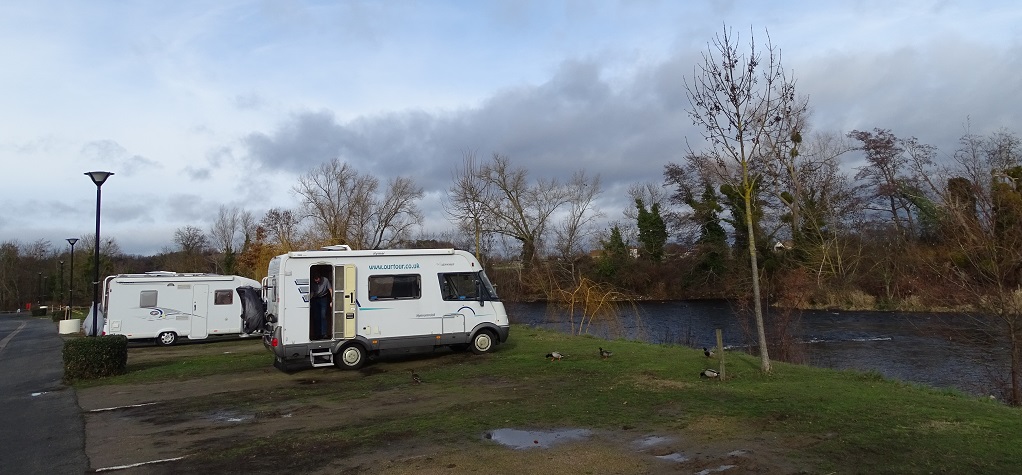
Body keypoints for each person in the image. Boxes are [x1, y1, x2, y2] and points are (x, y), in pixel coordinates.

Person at [310, 274, 332, 340]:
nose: (317, 282)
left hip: (323, 298)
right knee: (316, 317)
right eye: (315, 281)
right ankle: (317, 334)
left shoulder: (325, 280)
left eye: (318, 280)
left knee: (323, 316)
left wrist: (332, 300)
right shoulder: (312, 282)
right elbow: (311, 292)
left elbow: (330, 289)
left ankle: (324, 334)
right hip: (315, 298)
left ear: (320, 278)